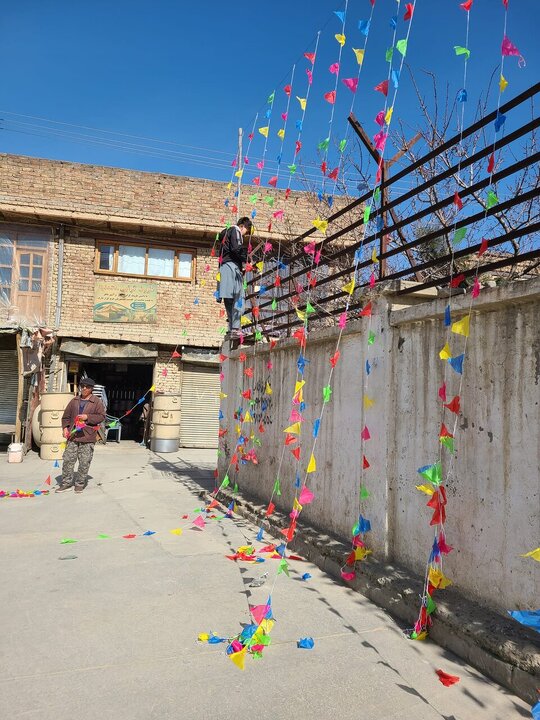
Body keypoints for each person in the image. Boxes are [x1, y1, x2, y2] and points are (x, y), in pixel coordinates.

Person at [56, 378, 106, 493]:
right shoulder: (74, 401)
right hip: (73, 436)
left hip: (88, 437)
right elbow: (66, 417)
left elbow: (101, 417)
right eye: (82, 386)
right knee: (68, 460)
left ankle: (79, 483)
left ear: (91, 389)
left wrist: (87, 417)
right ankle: (66, 483)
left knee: (84, 461)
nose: (84, 388)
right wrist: (65, 428)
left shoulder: (96, 402)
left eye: (87, 387)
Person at [216, 217, 252, 336]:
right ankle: (236, 329)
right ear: (242, 226)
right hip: (232, 267)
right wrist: (247, 259)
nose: (244, 235)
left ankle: (232, 328)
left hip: (223, 268)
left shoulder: (225, 234)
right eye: (246, 231)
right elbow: (236, 249)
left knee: (229, 299)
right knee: (239, 296)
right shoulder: (235, 230)